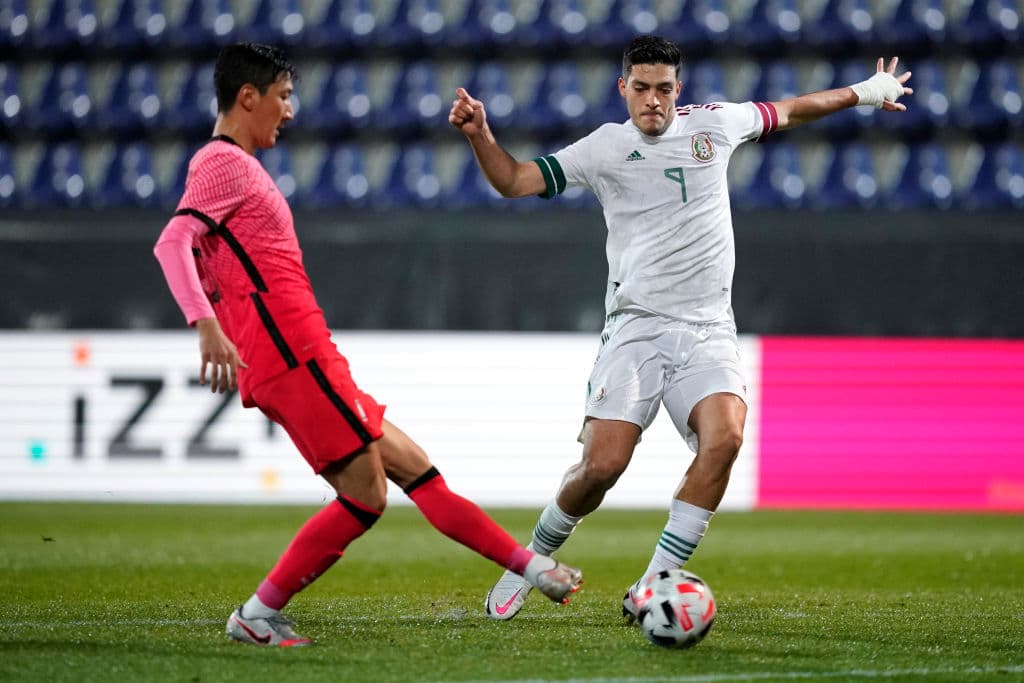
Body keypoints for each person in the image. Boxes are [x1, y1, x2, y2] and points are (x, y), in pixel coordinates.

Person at [449, 35, 912, 621]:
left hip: (708, 329)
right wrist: (479, 136)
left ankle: (655, 585)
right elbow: (515, 181)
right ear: (623, 88)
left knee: (726, 439)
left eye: (663, 89)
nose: (652, 101)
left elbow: (792, 109)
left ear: (678, 89)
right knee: (602, 468)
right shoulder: (604, 149)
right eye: (640, 88)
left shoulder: (715, 127)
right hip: (637, 327)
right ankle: (531, 560)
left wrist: (869, 92)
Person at [153, 42, 582, 647]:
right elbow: (173, 243)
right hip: (291, 355)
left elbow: (204, 257)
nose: (291, 110)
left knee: (420, 474)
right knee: (366, 496)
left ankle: (533, 569)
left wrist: (224, 312)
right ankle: (255, 615)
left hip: (306, 353)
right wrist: (208, 325)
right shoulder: (223, 162)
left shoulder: (236, 167)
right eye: (283, 96)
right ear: (247, 97)